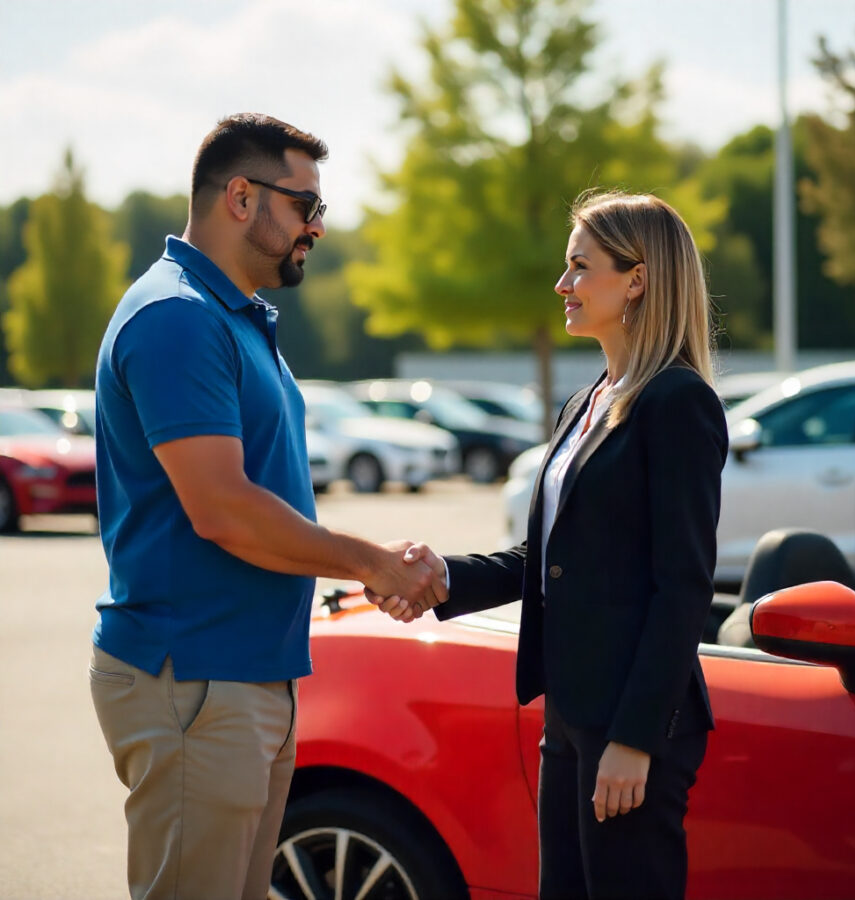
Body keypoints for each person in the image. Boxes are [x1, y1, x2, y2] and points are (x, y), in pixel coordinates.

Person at [89, 113, 446, 900]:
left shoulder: (231, 315)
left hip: (245, 678)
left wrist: (359, 569)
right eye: (305, 205)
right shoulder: (177, 316)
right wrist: (371, 562)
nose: (318, 226)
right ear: (241, 198)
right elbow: (222, 509)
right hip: (195, 679)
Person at [374, 191, 728, 900]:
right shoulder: (587, 401)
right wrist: (444, 576)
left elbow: (683, 587)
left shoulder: (677, 402)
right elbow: (551, 560)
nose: (563, 284)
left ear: (637, 279)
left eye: (580, 267)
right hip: (569, 713)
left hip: (631, 722)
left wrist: (634, 739)